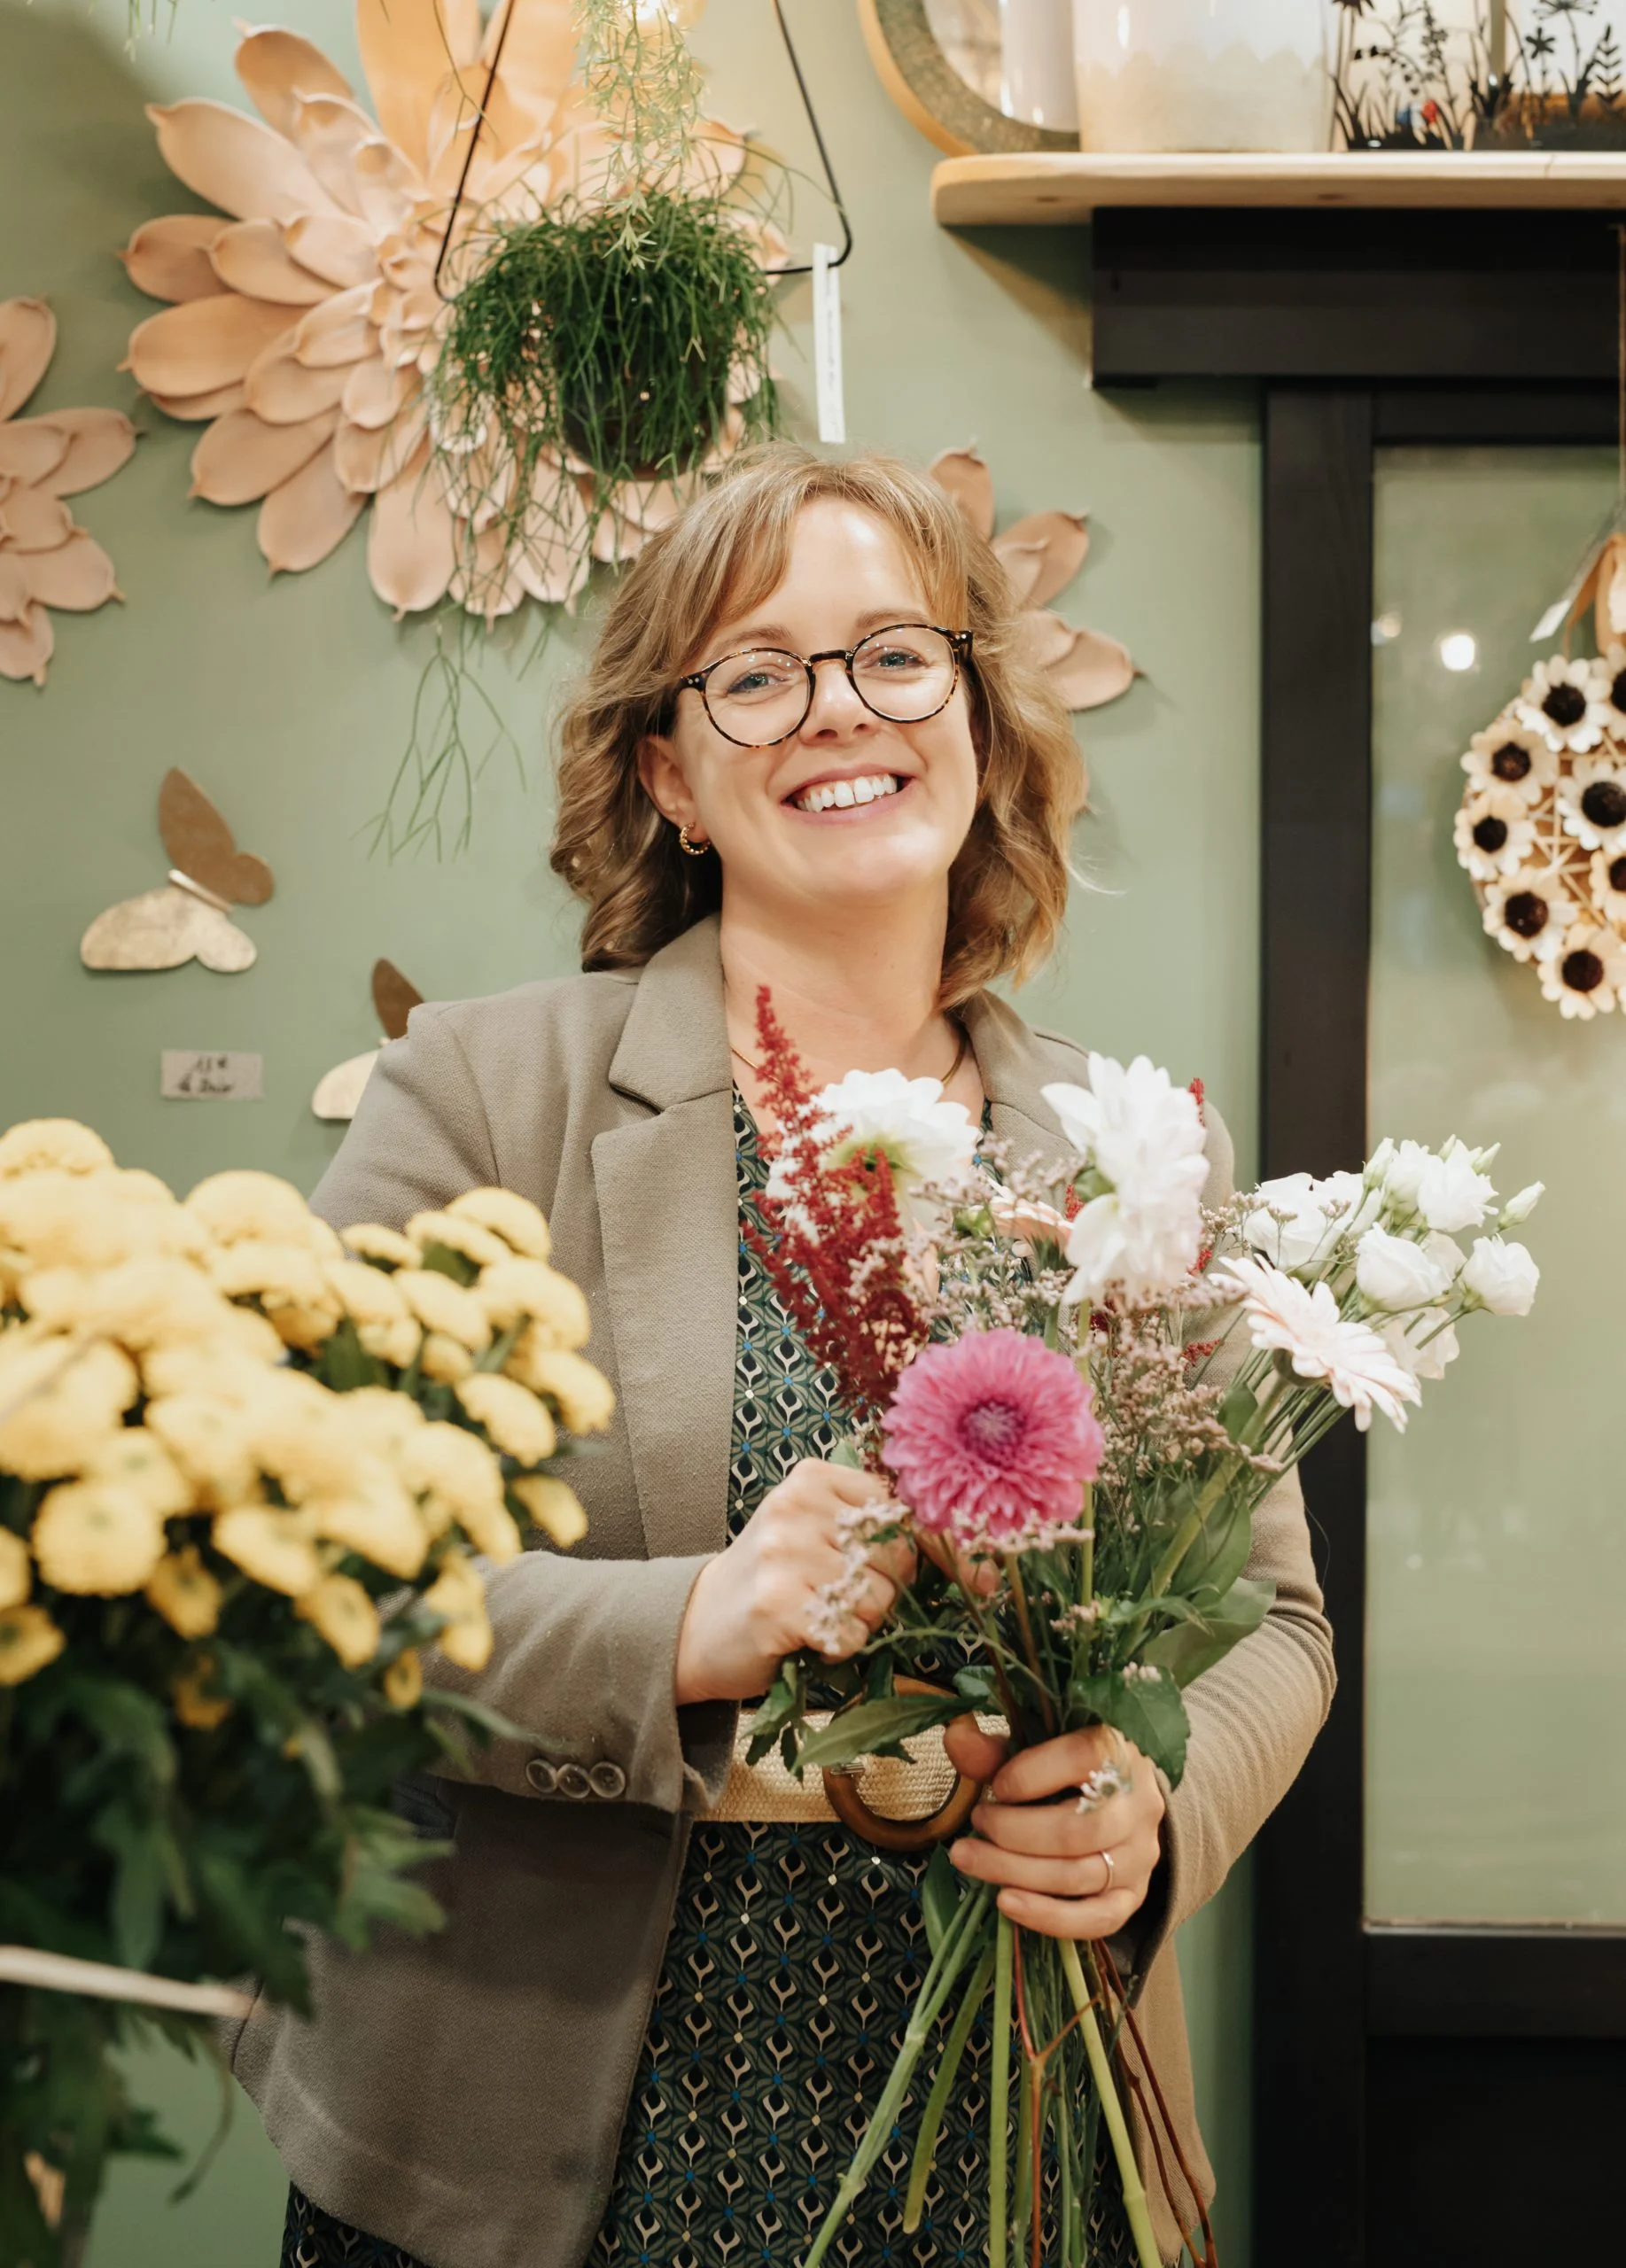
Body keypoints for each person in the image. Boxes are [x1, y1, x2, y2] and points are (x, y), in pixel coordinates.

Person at [237, 445, 1334, 2268]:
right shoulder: (486, 1091)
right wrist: (677, 1627)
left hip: (1016, 2144)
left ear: (974, 718)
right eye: (756, 669)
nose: (840, 709)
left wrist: (1151, 1803)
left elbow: (1272, 1630)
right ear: (666, 769)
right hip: (562, 2154)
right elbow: (298, 1573)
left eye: (896, 653)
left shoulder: (1132, 1153)